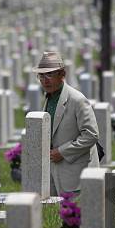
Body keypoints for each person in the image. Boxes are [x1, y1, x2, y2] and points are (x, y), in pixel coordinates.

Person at [32, 51, 100, 195]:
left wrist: (62, 152)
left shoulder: (77, 100)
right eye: (41, 76)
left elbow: (91, 135)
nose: (45, 80)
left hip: (77, 174)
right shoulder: (49, 98)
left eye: (49, 74)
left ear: (62, 74)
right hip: (56, 173)